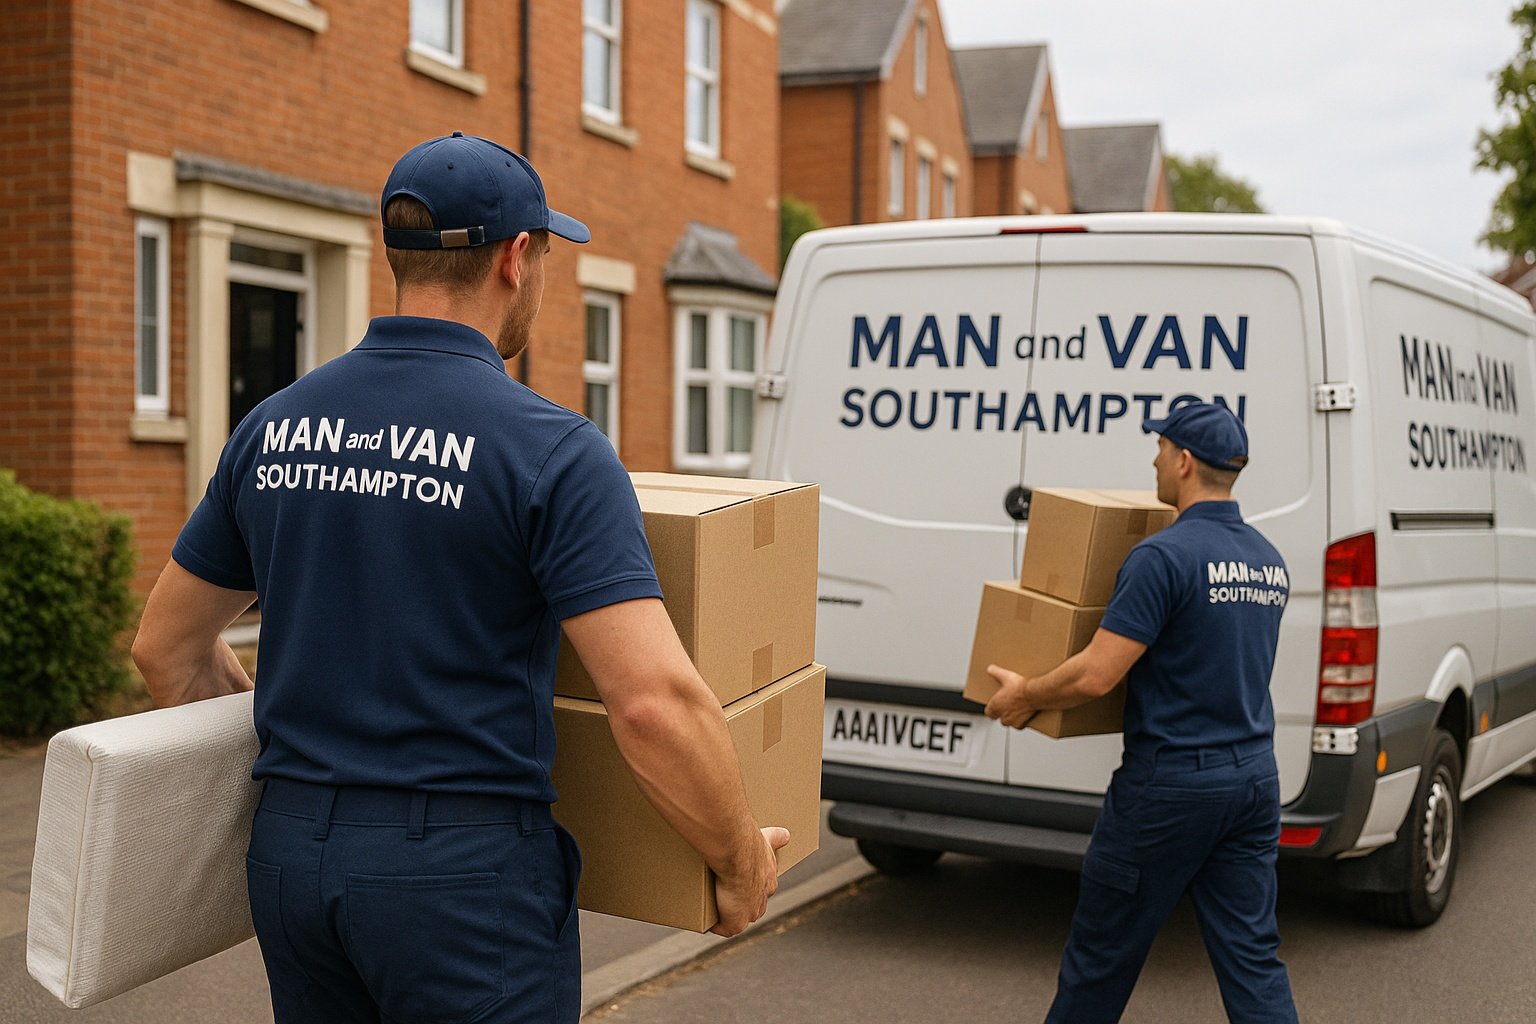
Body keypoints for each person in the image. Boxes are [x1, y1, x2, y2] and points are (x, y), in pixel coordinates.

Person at [132, 131, 787, 1024]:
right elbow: (652, 704)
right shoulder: (550, 450)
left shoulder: (272, 428)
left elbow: (165, 651)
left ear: (391, 254)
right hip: (460, 883)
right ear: (518, 259)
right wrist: (741, 859)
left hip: (290, 861)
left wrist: (310, 773)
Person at [984, 401, 1299, 1024]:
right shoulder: (1268, 559)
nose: (1153, 458)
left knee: (1101, 958)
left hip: (1171, 787)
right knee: (1253, 958)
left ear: (1183, 461)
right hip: (1253, 779)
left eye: (1159, 447)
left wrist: (1027, 694)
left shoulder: (1163, 558)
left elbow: (1098, 672)